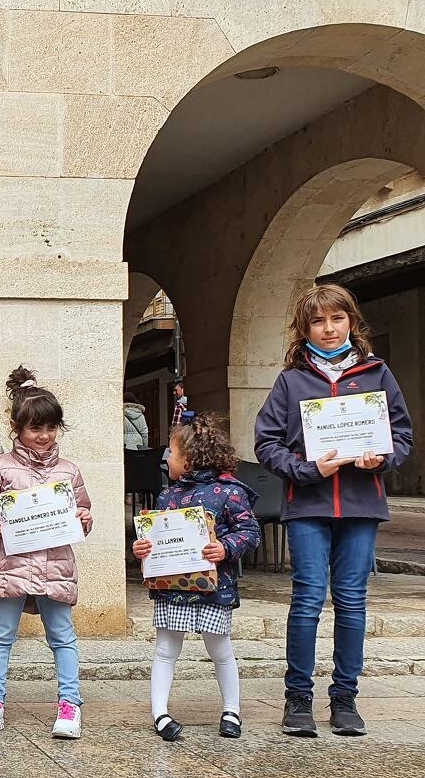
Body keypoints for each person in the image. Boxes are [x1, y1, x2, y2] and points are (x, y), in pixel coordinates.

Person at [255, 284, 413, 737]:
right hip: (308, 504)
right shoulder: (291, 382)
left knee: (352, 600)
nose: (328, 328)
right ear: (304, 329)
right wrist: (307, 469)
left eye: (337, 319)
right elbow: (266, 443)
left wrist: (381, 459)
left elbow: (401, 436)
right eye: (318, 321)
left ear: (351, 322)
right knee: (307, 598)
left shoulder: (378, 373)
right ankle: (298, 697)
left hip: (361, 506)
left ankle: (345, 698)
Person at [0, 368, 93, 739]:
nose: (43, 436)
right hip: (9, 566)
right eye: (35, 428)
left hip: (55, 566)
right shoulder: (0, 467)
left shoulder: (69, 471)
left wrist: (84, 519)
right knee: (0, 637)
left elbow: (82, 515)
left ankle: (70, 704)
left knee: (62, 636)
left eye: (51, 428)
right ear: (17, 428)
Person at [133, 414, 260, 741]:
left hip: (214, 588)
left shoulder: (230, 493)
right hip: (172, 588)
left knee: (220, 649)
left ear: (189, 459)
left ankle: (231, 710)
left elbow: (249, 532)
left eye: (172, 452)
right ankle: (159, 713)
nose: (166, 457)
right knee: (165, 648)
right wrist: (143, 547)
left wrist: (225, 547)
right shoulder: (167, 496)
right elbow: (157, 539)